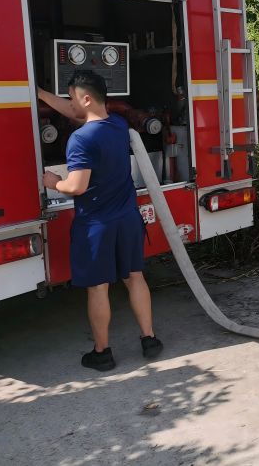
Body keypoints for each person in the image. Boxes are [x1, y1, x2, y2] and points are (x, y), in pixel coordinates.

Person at [38, 71, 162, 371]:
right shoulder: (117, 125)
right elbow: (79, 113)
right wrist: (41, 94)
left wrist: (54, 182)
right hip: (128, 219)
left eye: (72, 98)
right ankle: (149, 339)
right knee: (135, 277)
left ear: (86, 98)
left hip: (96, 225)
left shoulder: (80, 140)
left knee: (98, 288)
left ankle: (102, 353)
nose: (70, 104)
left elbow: (77, 186)